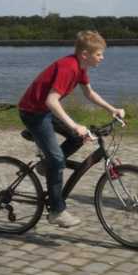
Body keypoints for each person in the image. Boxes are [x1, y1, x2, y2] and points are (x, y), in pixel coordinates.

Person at [18, 30, 125, 228]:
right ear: (85, 54)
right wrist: (75, 125)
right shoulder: (68, 67)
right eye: (99, 54)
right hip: (33, 112)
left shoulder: (81, 67)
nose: (102, 58)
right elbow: (51, 101)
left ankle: (46, 166)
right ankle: (57, 212)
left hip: (45, 111)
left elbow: (89, 93)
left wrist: (112, 109)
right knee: (58, 159)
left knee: (77, 138)